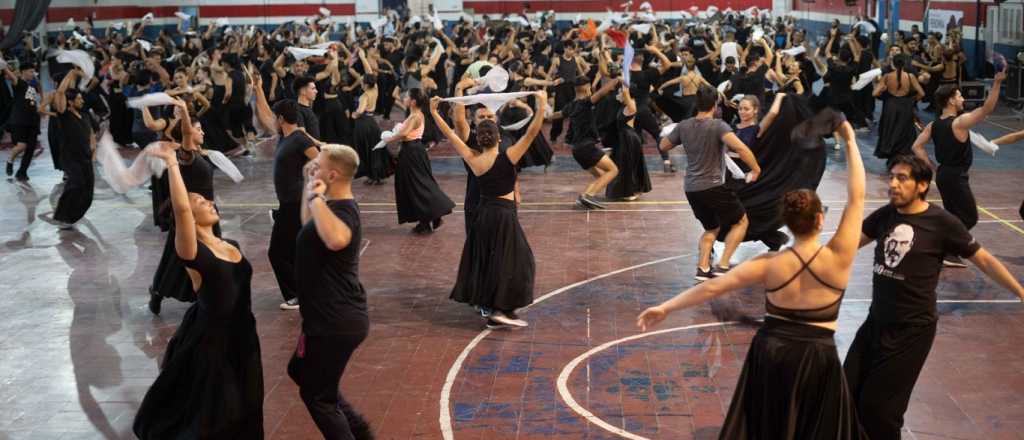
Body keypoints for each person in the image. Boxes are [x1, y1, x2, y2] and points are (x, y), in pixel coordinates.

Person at [637, 119, 868, 439]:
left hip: (772, 352)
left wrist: (665, 308)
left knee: (768, 426)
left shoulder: (769, 264)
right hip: (816, 355)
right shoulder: (838, 257)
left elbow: (713, 286)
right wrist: (851, 141)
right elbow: (857, 198)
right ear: (820, 219)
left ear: (785, 221)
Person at [846, 154, 1024, 440]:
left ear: (922, 185)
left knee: (881, 410)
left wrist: (1020, 292)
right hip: (875, 323)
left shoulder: (942, 222)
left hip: (911, 331)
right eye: (892, 177)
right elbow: (847, 246)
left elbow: (985, 261)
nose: (893, 184)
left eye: (902, 178)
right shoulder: (886, 215)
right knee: (846, 392)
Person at [134, 140, 263, 439]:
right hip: (213, 341)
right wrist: (171, 162)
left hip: (244, 335)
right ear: (189, 219)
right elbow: (181, 209)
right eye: (200, 202)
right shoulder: (192, 252)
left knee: (248, 402)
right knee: (219, 410)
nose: (209, 203)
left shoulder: (231, 244)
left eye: (207, 200)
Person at [432, 90, 547, 329]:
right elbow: (532, 132)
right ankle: (498, 309)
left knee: (489, 261)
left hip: (483, 215)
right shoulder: (509, 157)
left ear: (480, 139)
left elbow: (451, 135)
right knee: (519, 261)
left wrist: (434, 112)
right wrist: (542, 104)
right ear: (498, 138)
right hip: (504, 216)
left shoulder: (474, 159)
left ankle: (495, 311)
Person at [288, 144, 373, 440]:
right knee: (299, 371)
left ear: (333, 175)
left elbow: (336, 239)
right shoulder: (330, 207)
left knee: (318, 397)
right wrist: (308, 187)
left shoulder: (345, 211)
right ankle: (360, 433)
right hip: (323, 319)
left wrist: (315, 196)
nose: (313, 166)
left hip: (335, 321)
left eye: (319, 165)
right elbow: (308, 225)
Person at [660, 85, 761, 280]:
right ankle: (723, 266)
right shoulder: (718, 126)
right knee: (741, 221)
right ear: (715, 105)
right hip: (714, 186)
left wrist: (681, 135)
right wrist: (756, 169)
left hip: (691, 188)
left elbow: (664, 145)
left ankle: (703, 268)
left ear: (697, 103)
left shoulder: (684, 125)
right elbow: (741, 148)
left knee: (711, 228)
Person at [910, 67, 1006, 267]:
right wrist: (997, 84)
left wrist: (933, 166)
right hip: (955, 176)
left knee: (953, 216)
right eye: (960, 96)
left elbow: (916, 147)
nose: (963, 99)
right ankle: (946, 249)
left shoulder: (933, 125)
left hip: (943, 174)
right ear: (951, 101)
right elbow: (986, 109)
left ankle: (945, 251)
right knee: (970, 217)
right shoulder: (960, 122)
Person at [252, 71, 320, 310]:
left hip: (296, 203)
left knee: (277, 253)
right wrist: (258, 88)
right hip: (289, 203)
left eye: (275, 117)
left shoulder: (299, 139)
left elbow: (321, 162)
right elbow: (264, 115)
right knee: (295, 250)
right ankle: (307, 290)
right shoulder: (284, 136)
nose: (272, 120)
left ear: (281, 119)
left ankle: (297, 294)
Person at [381, 88, 454, 234]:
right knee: (417, 184)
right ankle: (428, 218)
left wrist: (388, 138)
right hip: (413, 151)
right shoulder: (415, 114)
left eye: (406, 97)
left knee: (417, 185)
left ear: (413, 101)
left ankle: (430, 218)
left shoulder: (415, 116)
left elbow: (403, 133)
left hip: (412, 153)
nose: (404, 98)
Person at [548, 76, 621, 210]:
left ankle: (586, 197)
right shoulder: (585, 103)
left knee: (601, 176)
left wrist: (542, 114)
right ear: (587, 87)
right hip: (587, 148)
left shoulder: (571, 106)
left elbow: (557, 114)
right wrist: (616, 80)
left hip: (577, 150)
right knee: (613, 170)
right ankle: (587, 195)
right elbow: (602, 92)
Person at [40, 69, 94, 229]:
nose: (82, 100)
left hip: (86, 157)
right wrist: (71, 73)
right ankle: (62, 216)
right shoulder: (64, 115)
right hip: (70, 157)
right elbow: (61, 92)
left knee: (88, 192)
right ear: (70, 102)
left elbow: (91, 133)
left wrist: (93, 148)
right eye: (79, 99)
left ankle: (72, 217)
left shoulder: (84, 114)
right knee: (76, 184)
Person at [873, 54, 925, 159]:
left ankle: (889, 151)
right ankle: (903, 152)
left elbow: (875, 93)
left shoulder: (887, 76)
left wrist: (883, 90)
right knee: (904, 129)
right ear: (905, 63)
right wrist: (912, 101)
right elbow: (922, 93)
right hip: (906, 106)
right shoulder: (910, 76)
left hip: (890, 106)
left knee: (890, 129)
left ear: (893, 63)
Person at [2, 61, 41, 182]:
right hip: (20, 120)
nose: (33, 74)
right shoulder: (18, 83)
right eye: (30, 71)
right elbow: (9, 73)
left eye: (33, 71)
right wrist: (3, 65)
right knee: (21, 145)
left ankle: (22, 172)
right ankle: (10, 161)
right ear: (23, 71)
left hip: (33, 120)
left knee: (31, 147)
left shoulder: (32, 85)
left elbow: (33, 100)